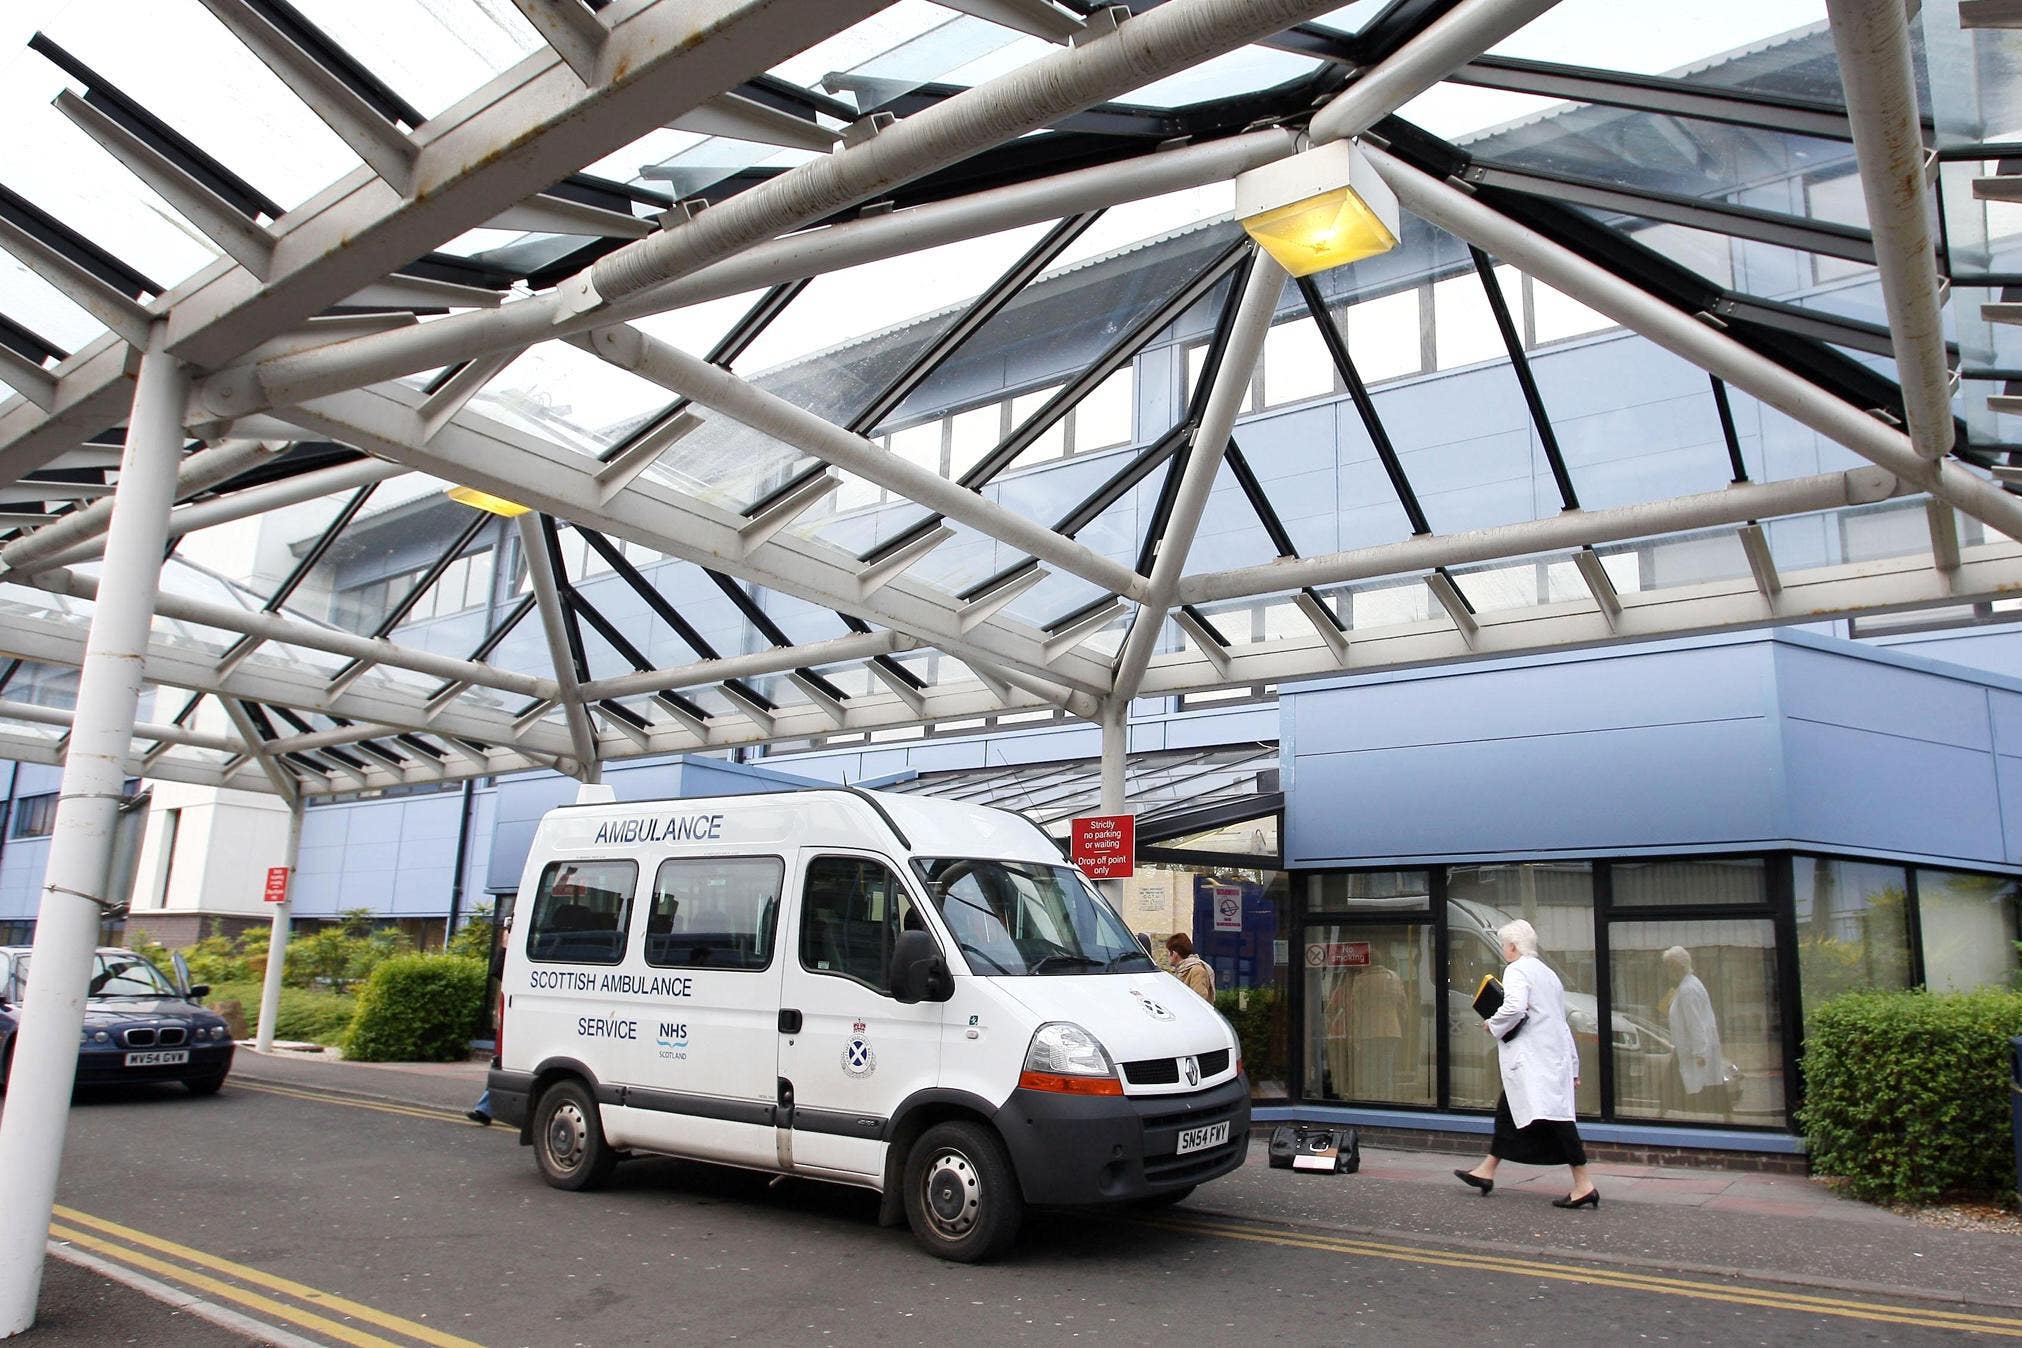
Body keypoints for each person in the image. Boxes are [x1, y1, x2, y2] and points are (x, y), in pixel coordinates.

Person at [1454, 919, 1597, 1209]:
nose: (1505, 950)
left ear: (1514, 947)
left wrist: (1492, 1024)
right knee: (1509, 1110)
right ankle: (1486, 1170)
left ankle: (1584, 1184)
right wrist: (1573, 1065)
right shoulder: (1549, 974)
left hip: (1533, 1060)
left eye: (1506, 945)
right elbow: (1560, 1022)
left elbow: (1515, 1007)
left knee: (1559, 1122)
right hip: (1550, 1058)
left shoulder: (1516, 969)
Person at [1663, 946, 1729, 1115]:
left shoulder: (1687, 990)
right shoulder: (1692, 984)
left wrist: (1700, 1053)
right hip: (1688, 1049)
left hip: (1692, 1050)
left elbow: (1695, 1023)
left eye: (1670, 965)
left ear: (1678, 966)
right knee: (1675, 1089)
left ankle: (1665, 1121)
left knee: (1679, 1089)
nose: (1668, 970)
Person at [1166, 932, 1214, 1002]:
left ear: (1174, 954)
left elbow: (1199, 1001)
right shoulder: (1180, 970)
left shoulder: (1197, 971)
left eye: (1168, 952)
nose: (1167, 956)